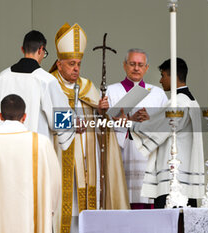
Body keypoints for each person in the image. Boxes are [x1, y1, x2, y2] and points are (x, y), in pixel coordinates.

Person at [50, 23, 129, 233]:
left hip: (87, 161)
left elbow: (101, 125)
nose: (76, 68)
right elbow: (47, 117)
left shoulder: (87, 87)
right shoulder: (49, 85)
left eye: (79, 63)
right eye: (71, 64)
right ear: (59, 64)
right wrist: (70, 124)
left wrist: (102, 112)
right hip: (61, 158)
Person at [0, 94, 61, 233]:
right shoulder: (41, 143)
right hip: (32, 214)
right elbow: (55, 182)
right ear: (24, 117)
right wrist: (49, 208)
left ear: (0, 116)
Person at [132, 58, 205, 208]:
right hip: (185, 174)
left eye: (163, 75)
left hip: (173, 177)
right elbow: (170, 127)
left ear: (172, 76)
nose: (160, 80)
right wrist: (151, 119)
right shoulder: (190, 100)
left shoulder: (178, 101)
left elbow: (160, 131)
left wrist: (131, 125)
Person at [0, 30, 74, 150]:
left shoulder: (2, 78)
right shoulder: (46, 80)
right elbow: (63, 121)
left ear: (22, 49)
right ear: (41, 50)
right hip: (32, 152)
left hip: (2, 150)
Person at [106, 49, 168, 209]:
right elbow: (104, 126)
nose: (136, 68)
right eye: (132, 64)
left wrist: (150, 121)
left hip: (148, 158)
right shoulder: (112, 91)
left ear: (147, 68)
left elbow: (167, 126)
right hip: (123, 154)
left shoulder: (157, 93)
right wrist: (129, 122)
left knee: (148, 205)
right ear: (124, 65)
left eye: (140, 65)